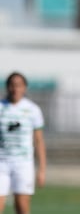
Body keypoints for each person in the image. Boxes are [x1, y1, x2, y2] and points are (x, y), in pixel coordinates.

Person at [0, 72, 47, 214]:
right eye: (12, 85)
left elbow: (39, 141)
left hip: (23, 164)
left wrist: (42, 169)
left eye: (19, 85)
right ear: (7, 87)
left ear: (24, 87)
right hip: (1, 162)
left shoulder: (33, 110)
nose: (15, 89)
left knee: (22, 206)